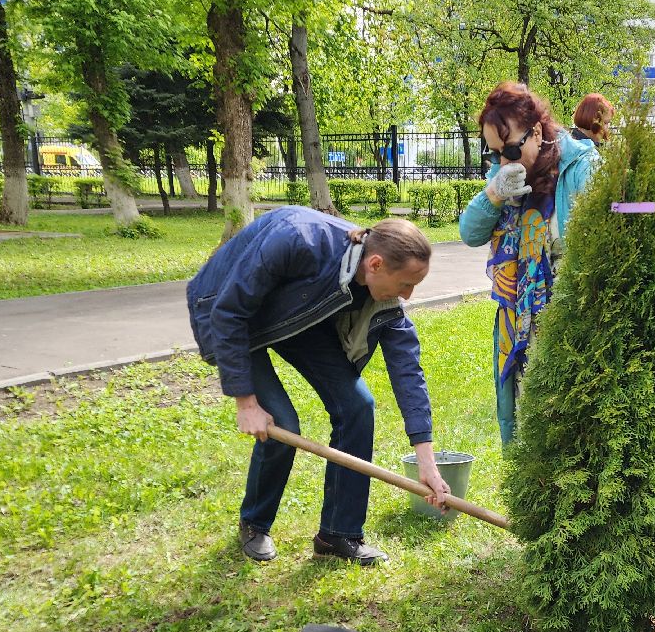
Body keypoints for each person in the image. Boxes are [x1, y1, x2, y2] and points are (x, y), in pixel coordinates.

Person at [187, 208, 450, 566]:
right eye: (406, 283)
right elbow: (229, 311)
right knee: (281, 424)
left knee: (357, 406)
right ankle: (255, 522)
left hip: (296, 315)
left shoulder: (383, 295)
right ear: (375, 265)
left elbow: (408, 372)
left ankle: (337, 535)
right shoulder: (298, 239)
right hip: (225, 309)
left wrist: (427, 462)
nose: (408, 295)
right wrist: (246, 401)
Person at [460, 82, 599, 445]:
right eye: (493, 154)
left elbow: (631, 209)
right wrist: (494, 193)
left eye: (509, 149)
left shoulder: (582, 168)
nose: (502, 162)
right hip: (517, 319)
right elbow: (469, 232)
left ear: (537, 131)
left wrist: (648, 205)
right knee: (524, 427)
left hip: (569, 320)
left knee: (567, 427)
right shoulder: (502, 176)